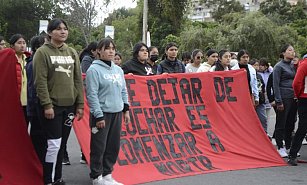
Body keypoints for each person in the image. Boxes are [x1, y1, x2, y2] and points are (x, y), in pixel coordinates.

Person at [33, 18, 84, 185]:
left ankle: (58, 178)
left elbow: (78, 80)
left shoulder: (72, 52)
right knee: (54, 144)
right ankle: (49, 180)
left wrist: (80, 105)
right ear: (49, 32)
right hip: (51, 107)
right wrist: (47, 105)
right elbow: (40, 81)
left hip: (69, 106)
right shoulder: (42, 52)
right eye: (58, 29)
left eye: (65, 29)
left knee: (61, 145)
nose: (63, 31)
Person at [86, 38, 130, 185]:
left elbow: (123, 90)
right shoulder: (93, 70)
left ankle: (107, 175)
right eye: (107, 48)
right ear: (99, 51)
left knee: (113, 146)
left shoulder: (118, 70)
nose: (111, 51)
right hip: (102, 114)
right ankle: (96, 177)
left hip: (117, 112)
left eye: (113, 48)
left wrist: (126, 109)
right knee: (99, 146)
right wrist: (98, 116)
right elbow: (92, 95)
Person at [273, 44, 297, 158]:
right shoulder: (278, 66)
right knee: (281, 122)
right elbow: (275, 84)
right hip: (284, 97)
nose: (293, 52)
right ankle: (280, 146)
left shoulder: (293, 65)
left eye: (293, 50)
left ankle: (289, 146)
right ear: (283, 53)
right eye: (290, 50)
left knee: (291, 122)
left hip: (294, 97)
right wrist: (278, 101)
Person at [26, 35, 46, 164]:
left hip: (37, 106)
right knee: (38, 138)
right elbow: (34, 88)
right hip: (36, 107)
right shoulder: (34, 64)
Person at [288, 58, 307, 166]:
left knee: (303, 127)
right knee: (302, 127)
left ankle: (293, 155)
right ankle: (293, 154)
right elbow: (296, 83)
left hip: (303, 97)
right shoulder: (304, 64)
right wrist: (298, 95)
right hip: (304, 99)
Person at [9, 34, 31, 125]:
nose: (22, 45)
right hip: (13, 102)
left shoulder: (29, 60)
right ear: (12, 46)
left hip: (28, 102)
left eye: (24, 43)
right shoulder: (8, 60)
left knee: (25, 127)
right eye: (19, 43)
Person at [250, 59, 267, 133]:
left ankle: (264, 133)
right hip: (251, 100)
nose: (256, 67)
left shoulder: (259, 75)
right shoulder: (248, 75)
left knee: (263, 118)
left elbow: (263, 88)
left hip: (261, 100)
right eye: (254, 65)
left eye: (257, 65)